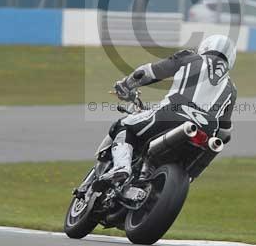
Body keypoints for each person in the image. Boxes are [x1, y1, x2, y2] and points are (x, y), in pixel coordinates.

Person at [101, 34, 237, 183]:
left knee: (124, 125)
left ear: (206, 46)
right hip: (206, 133)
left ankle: (121, 167)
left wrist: (126, 84)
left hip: (172, 112)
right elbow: (224, 132)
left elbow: (148, 72)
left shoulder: (189, 57)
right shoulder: (231, 89)